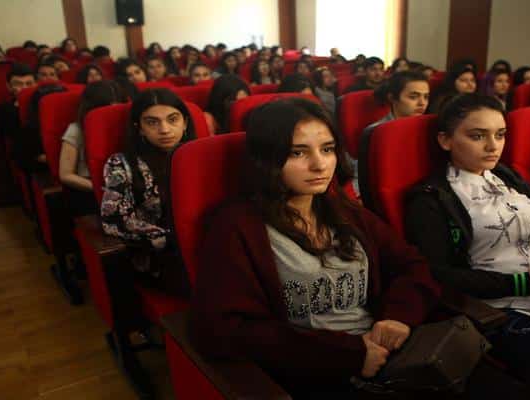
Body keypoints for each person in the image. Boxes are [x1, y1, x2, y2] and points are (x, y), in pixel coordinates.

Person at [189, 97, 443, 397]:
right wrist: (349, 355)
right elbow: (226, 329)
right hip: (313, 371)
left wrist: (398, 317)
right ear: (267, 159)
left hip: (385, 354)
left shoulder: (343, 209)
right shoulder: (237, 225)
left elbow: (411, 264)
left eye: (327, 149)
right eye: (298, 152)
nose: (319, 164)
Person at [405, 93, 530, 379]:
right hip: (497, 312)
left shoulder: (505, 176)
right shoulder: (431, 197)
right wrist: (525, 283)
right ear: (445, 140)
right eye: (477, 136)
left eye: (500, 135)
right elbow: (438, 273)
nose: (493, 146)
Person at [101, 88, 196, 296]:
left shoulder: (200, 157)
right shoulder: (122, 164)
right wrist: (170, 238)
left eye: (173, 119)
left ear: (185, 123)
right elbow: (115, 220)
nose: (165, 129)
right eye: (152, 122)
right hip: (161, 254)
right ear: (140, 128)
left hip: (206, 245)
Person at [59, 81, 127, 216]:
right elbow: (66, 175)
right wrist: (102, 190)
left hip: (122, 185)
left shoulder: (127, 126)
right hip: (89, 188)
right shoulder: (76, 130)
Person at [0, 63, 36, 139]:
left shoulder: (43, 106)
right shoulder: (3, 110)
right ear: (9, 86)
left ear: (36, 84)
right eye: (18, 84)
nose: (24, 88)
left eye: (29, 84)